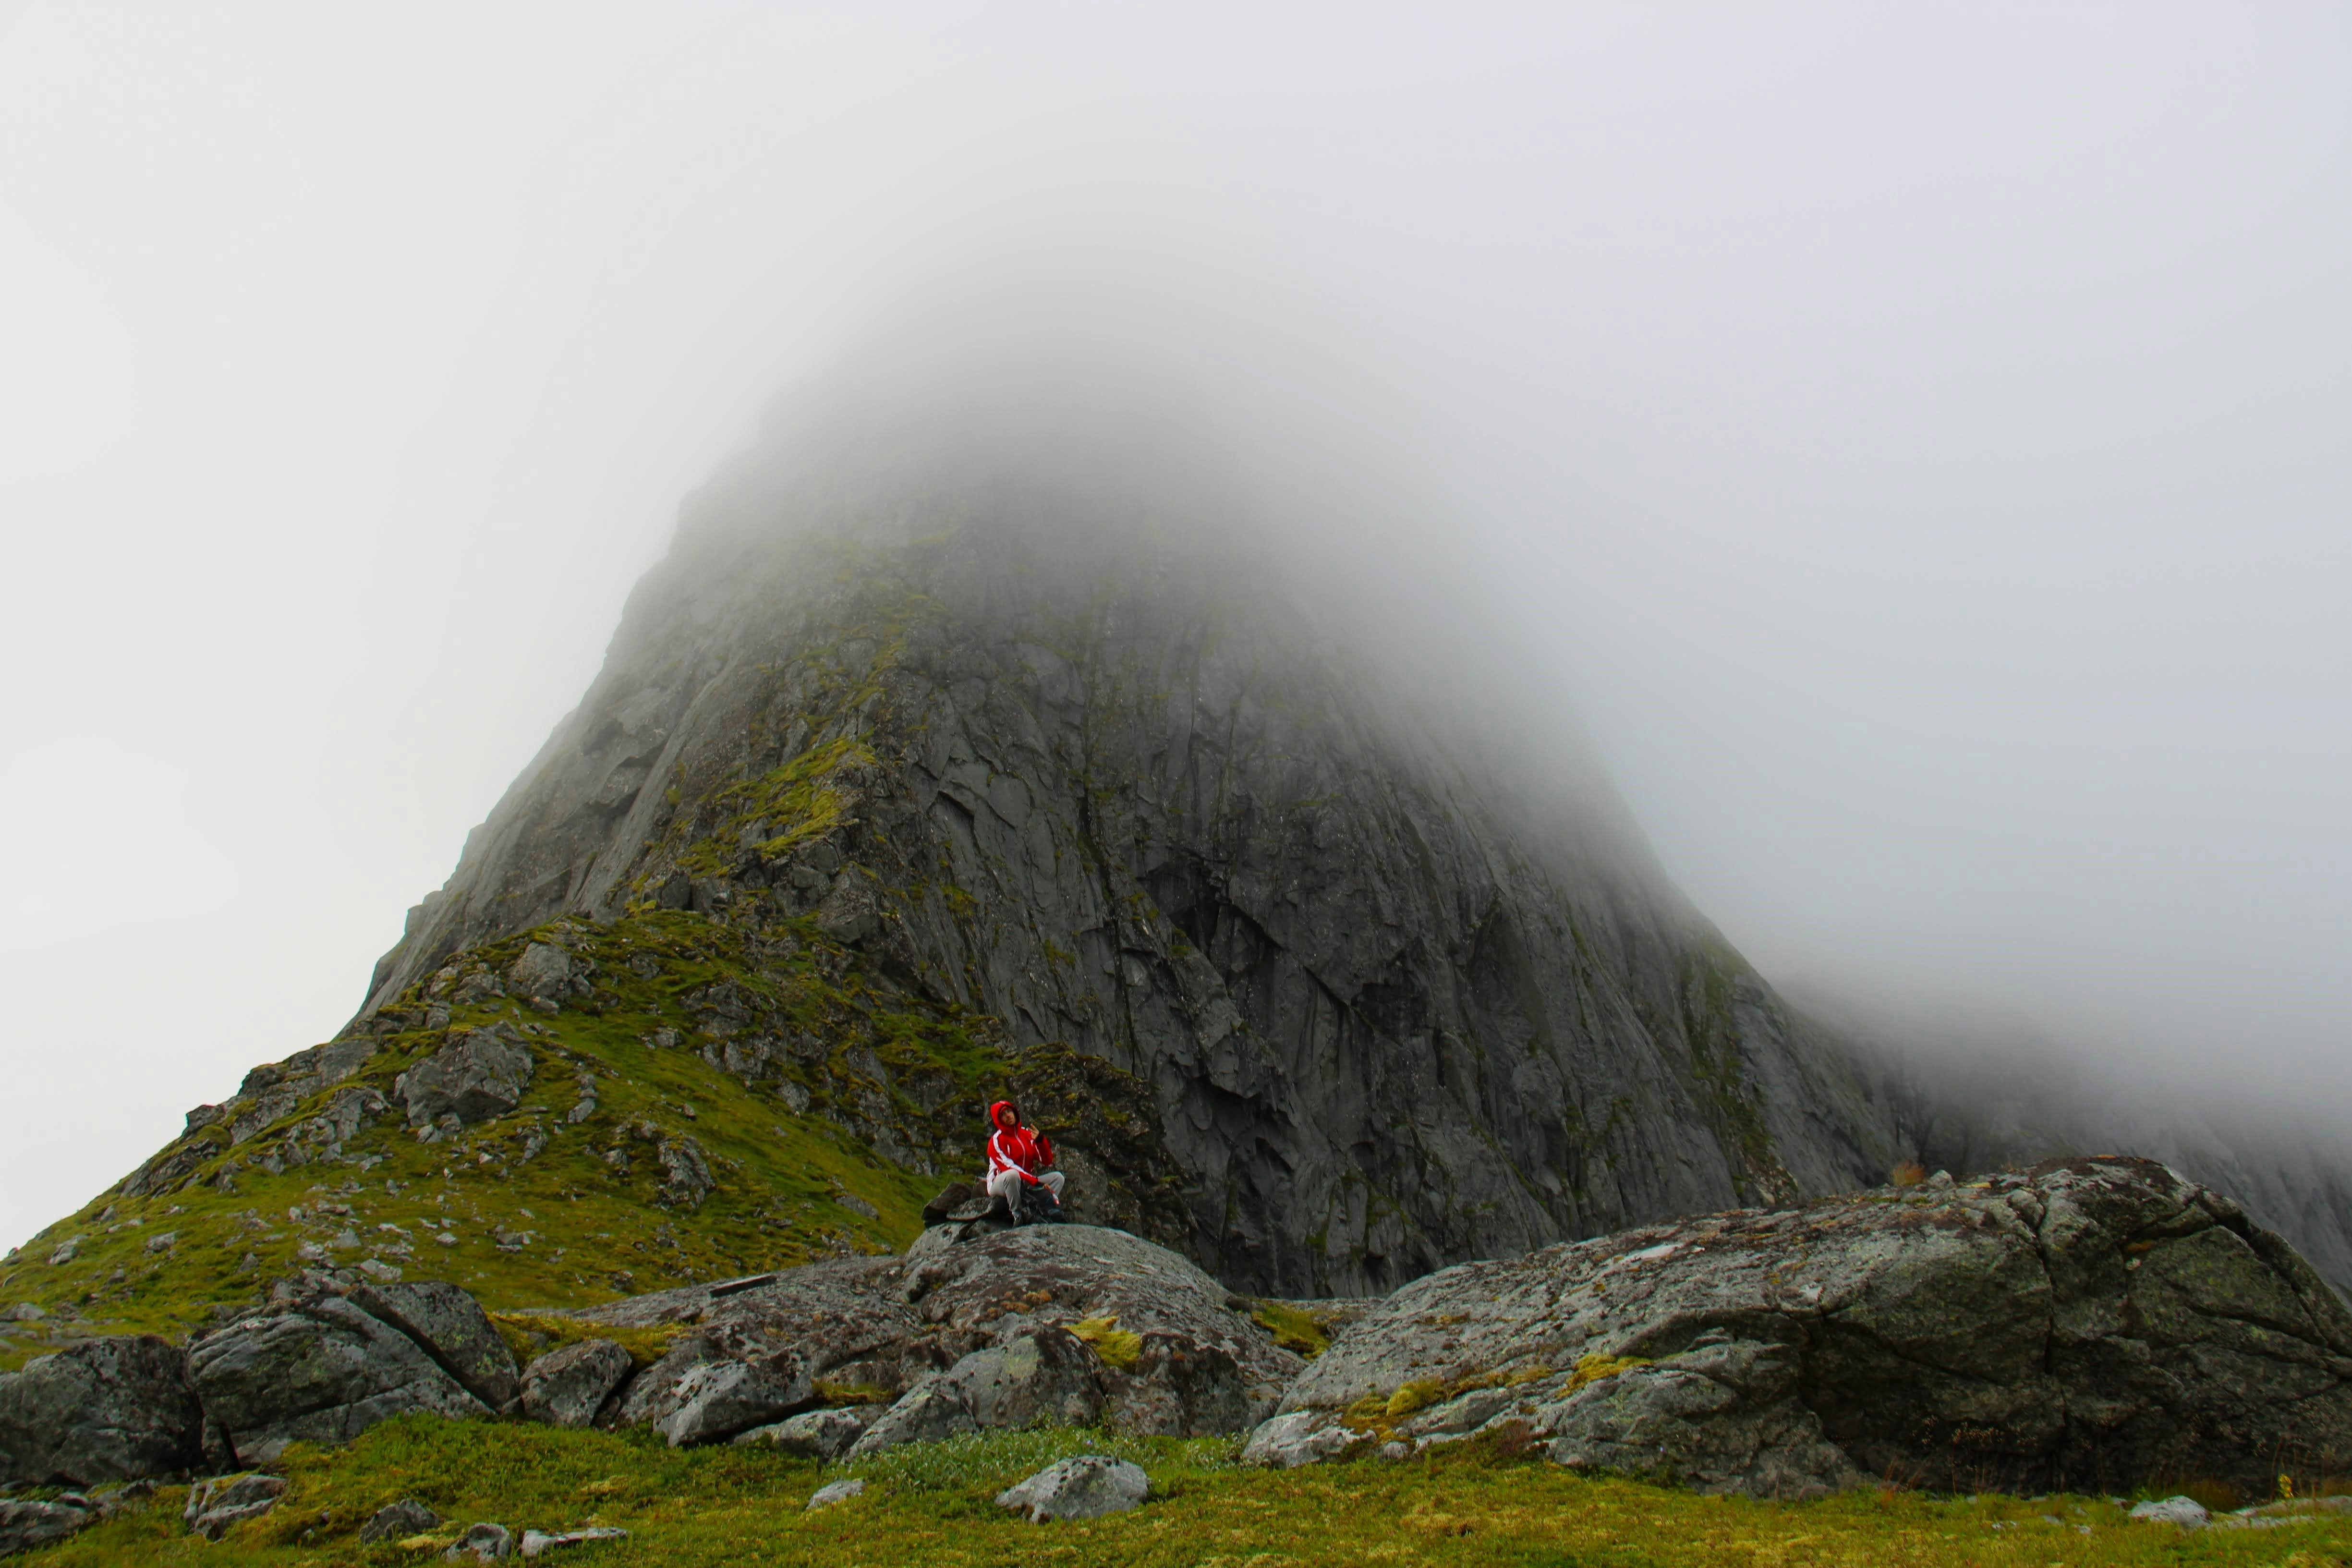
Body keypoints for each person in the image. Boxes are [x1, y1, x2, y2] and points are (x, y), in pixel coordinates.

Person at [982, 1099, 1065, 1220]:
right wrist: (1037, 1183)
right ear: (999, 1120)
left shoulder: (1026, 1133)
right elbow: (1008, 1167)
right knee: (1012, 1175)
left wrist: (1040, 1141)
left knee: (1058, 1178)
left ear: (1014, 1112)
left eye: (1009, 1111)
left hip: (1025, 1184)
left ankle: (1041, 1209)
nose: (1008, 1116)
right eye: (1003, 1115)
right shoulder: (997, 1140)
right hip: (1001, 1184)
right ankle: (1018, 1215)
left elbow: (1047, 1161)